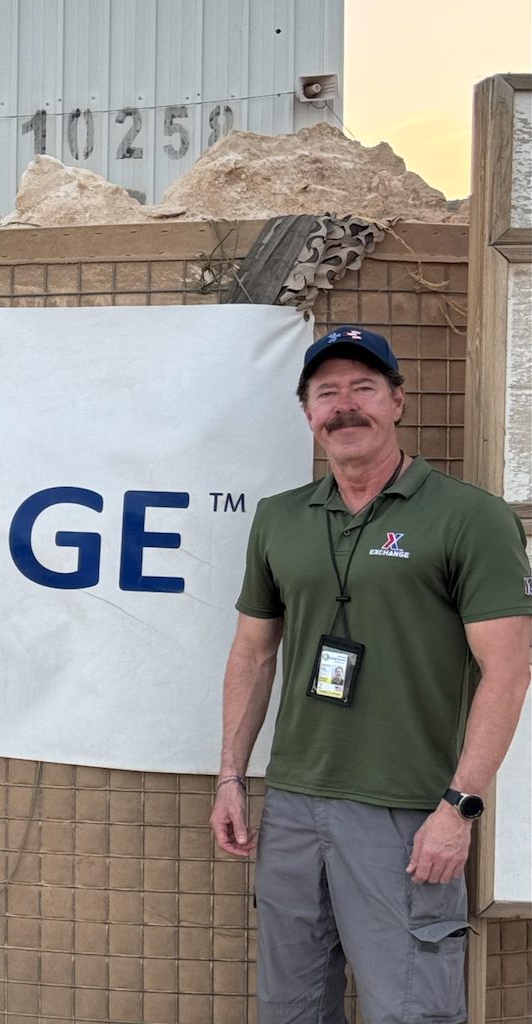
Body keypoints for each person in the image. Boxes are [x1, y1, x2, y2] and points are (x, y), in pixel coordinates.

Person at [211, 327, 532, 1024]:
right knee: (289, 1009)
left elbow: (506, 672)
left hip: (407, 813)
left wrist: (459, 808)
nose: (344, 406)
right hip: (293, 806)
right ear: (306, 413)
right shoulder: (279, 520)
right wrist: (231, 778)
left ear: (397, 402)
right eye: (326, 392)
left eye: (363, 388)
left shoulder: (468, 519)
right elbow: (252, 654)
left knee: (410, 1010)